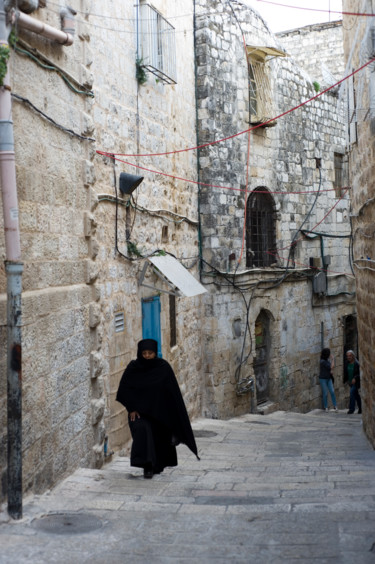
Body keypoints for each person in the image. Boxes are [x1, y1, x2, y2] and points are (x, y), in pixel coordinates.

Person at [116, 338, 199, 479]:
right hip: (139, 414)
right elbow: (124, 390)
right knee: (144, 431)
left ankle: (157, 465)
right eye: (144, 353)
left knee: (159, 436)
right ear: (139, 353)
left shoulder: (163, 368)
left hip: (159, 413)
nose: (147, 356)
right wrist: (132, 408)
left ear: (155, 353)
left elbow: (172, 393)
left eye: (150, 353)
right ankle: (147, 466)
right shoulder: (133, 368)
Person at [319, 348, 338, 412]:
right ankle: (326, 407)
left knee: (332, 391)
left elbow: (329, 368)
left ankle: (335, 406)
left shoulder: (326, 360)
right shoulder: (322, 361)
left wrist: (330, 371)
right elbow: (331, 366)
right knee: (325, 393)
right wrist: (333, 359)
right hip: (323, 379)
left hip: (329, 378)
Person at [344, 350, 361, 415]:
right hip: (350, 382)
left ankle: (351, 409)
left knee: (351, 393)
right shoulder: (346, 363)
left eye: (350, 356)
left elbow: (360, 373)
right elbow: (346, 372)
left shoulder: (357, 364)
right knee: (356, 395)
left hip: (356, 382)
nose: (349, 357)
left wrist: (355, 378)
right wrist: (346, 380)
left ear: (353, 356)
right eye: (347, 356)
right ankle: (361, 408)